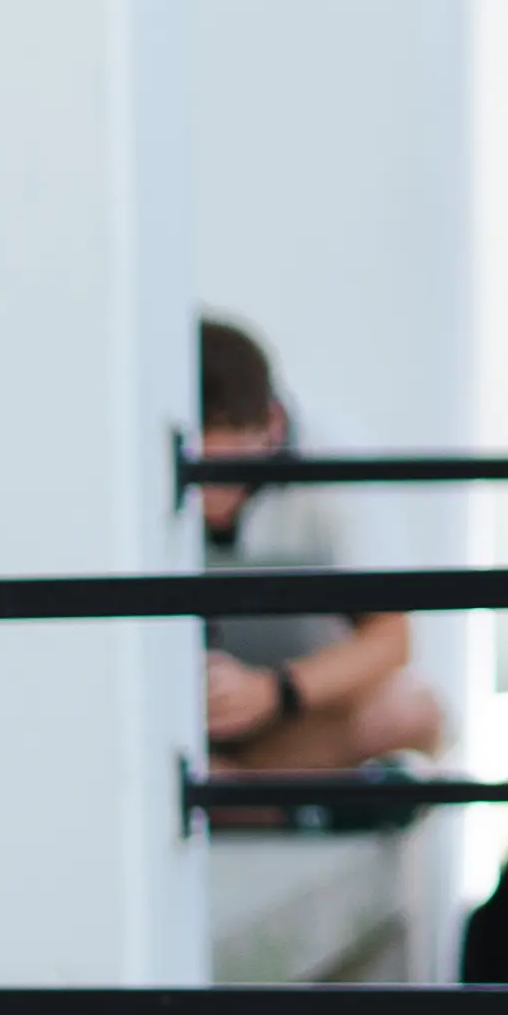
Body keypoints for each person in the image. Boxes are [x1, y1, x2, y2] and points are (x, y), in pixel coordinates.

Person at [195, 318, 447, 772]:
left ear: (271, 425)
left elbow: (393, 637)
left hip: (297, 713)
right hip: (195, 716)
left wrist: (274, 692)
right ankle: (250, 793)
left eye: (224, 473)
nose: (210, 500)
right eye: (200, 474)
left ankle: (243, 792)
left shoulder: (332, 455)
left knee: (412, 710)